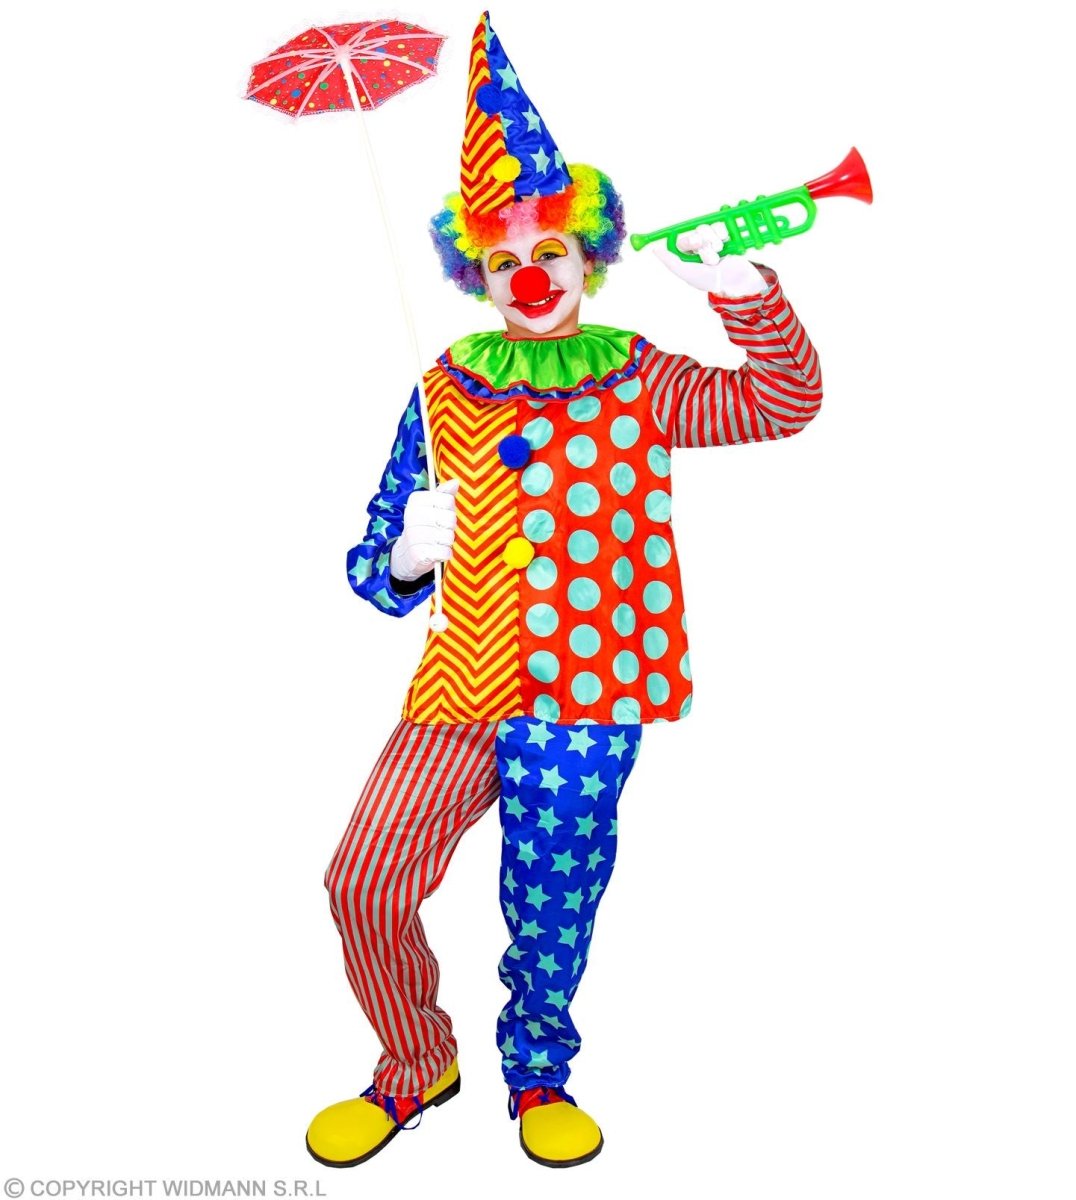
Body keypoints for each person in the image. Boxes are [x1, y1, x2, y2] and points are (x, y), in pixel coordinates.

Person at [305, 11, 822, 1170]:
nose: (529, 276)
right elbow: (371, 564)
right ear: (476, 274)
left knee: (549, 905)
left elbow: (779, 404)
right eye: (504, 261)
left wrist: (742, 292)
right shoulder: (445, 387)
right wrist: (404, 558)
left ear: (586, 257)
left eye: (549, 252)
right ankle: (414, 1062)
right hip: (458, 690)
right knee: (361, 881)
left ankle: (536, 1070)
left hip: (588, 695)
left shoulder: (635, 378)